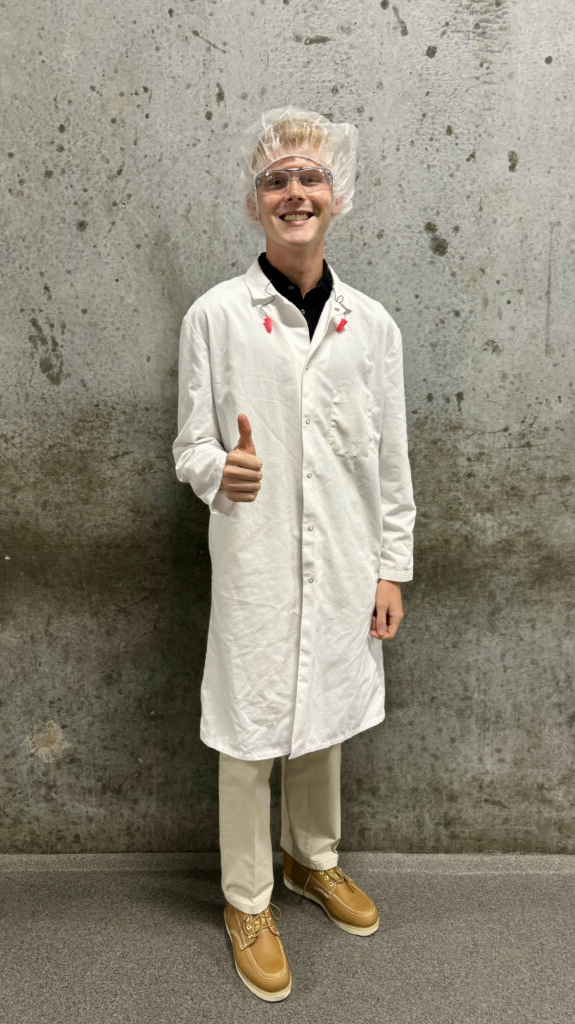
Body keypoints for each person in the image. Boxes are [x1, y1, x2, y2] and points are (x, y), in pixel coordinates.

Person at [172, 106, 416, 1002]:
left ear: (337, 195)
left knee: (322, 716)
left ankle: (313, 858)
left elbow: (392, 458)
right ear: (255, 202)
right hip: (256, 561)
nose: (295, 192)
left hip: (349, 558)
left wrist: (393, 566)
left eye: (310, 177)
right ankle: (247, 896)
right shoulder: (215, 316)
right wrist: (218, 471)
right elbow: (188, 444)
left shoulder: (374, 326)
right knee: (248, 727)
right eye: (278, 179)